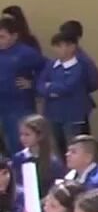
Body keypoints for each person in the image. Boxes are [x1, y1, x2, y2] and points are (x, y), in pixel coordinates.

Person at [37, 30, 92, 153]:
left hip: (72, 114)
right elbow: (40, 84)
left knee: (73, 146)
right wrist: (50, 90)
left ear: (72, 47)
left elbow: (67, 87)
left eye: (60, 46)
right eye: (55, 46)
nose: (56, 49)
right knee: (56, 146)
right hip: (52, 113)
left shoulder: (80, 66)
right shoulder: (51, 64)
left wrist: (50, 87)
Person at [0, 15, 46, 154]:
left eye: (2, 36)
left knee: (19, 143)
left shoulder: (26, 53)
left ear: (14, 36)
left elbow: (47, 69)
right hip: (2, 105)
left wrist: (32, 84)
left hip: (19, 107)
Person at [12, 115, 63, 201]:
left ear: (40, 135)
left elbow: (56, 188)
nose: (22, 138)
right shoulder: (19, 158)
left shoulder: (53, 162)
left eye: (27, 135)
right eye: (21, 134)